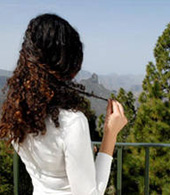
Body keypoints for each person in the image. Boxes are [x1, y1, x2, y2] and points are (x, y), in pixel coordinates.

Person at [0, 13, 128, 195]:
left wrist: (80, 149)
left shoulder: (19, 112)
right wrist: (111, 134)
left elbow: (50, 170)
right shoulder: (72, 123)